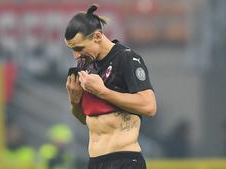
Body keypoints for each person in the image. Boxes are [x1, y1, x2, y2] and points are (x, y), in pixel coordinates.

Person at [65, 4, 157, 169]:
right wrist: (74, 101)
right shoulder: (85, 66)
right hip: (95, 162)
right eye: (72, 49)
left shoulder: (126, 59)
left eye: (79, 48)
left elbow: (149, 107)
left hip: (125, 160)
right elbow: (84, 119)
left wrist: (103, 92)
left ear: (98, 37)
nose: (76, 55)